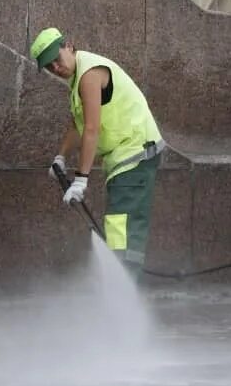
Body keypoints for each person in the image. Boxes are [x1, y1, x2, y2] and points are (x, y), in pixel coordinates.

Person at [29, 27, 164, 279]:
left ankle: (126, 291)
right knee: (119, 226)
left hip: (135, 153)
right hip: (126, 157)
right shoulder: (77, 78)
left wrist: (81, 179)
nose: (56, 68)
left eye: (56, 60)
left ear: (68, 45)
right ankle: (123, 290)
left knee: (120, 227)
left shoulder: (89, 74)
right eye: (49, 67)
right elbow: (77, 124)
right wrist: (60, 156)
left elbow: (91, 128)